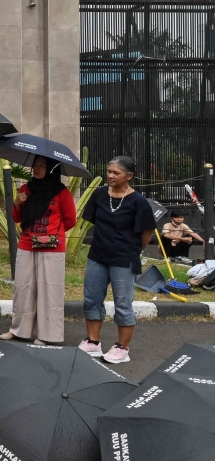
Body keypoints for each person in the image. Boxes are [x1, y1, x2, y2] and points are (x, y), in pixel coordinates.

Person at [79, 156, 155, 364]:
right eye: (109, 171)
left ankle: (122, 348)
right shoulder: (99, 195)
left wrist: (132, 250)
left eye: (116, 173)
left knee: (123, 303)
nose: (110, 175)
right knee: (92, 298)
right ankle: (93, 342)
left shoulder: (138, 202)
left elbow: (146, 232)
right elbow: (95, 221)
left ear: (129, 176)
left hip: (124, 258)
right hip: (98, 256)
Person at [0, 156, 77, 345]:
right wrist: (17, 202)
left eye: (42, 166)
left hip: (52, 247)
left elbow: (70, 220)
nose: (37, 169)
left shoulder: (61, 192)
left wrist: (53, 233)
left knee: (49, 290)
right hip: (27, 243)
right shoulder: (26, 189)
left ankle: (47, 335)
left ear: (51, 169)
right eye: (35, 165)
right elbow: (17, 218)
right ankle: (19, 330)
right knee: (23, 288)